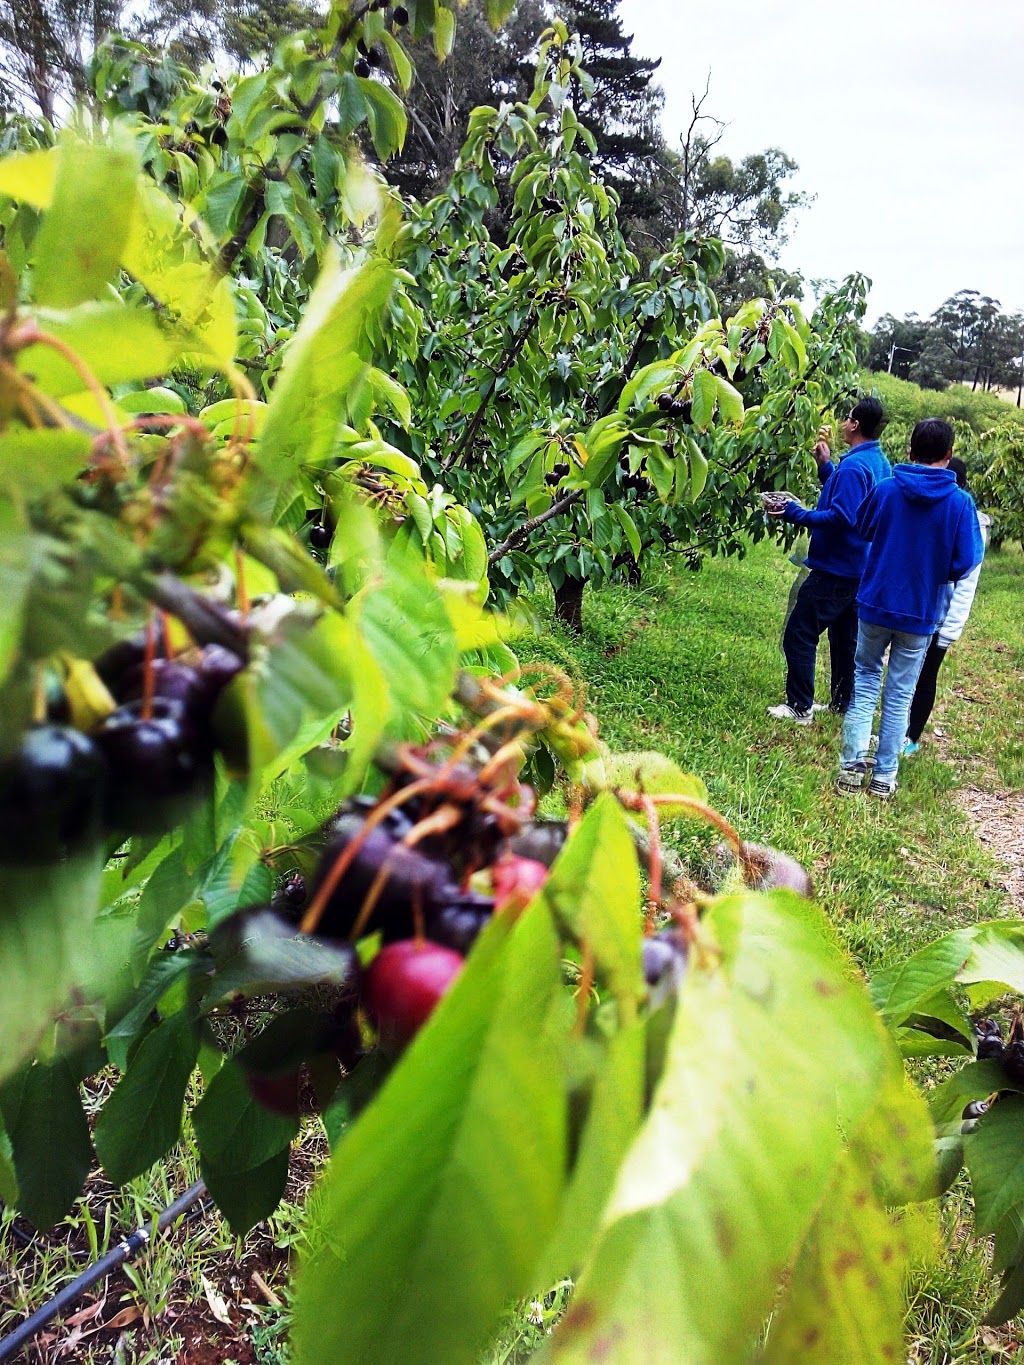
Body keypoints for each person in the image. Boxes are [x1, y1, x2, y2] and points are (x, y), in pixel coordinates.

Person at [837, 420, 984, 799]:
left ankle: (851, 770)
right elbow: (966, 560)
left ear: (910, 451)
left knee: (866, 679)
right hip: (920, 613)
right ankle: (884, 778)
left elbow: (863, 526)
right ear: (949, 456)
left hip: (874, 604)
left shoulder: (887, 490)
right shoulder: (960, 503)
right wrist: (936, 568)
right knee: (901, 692)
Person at [766, 396, 891, 723]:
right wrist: (826, 468)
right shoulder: (877, 462)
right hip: (859, 568)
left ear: (855, 425)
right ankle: (841, 703)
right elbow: (854, 500)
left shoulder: (854, 466)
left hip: (836, 566)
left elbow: (842, 517)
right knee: (843, 639)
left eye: (846, 418)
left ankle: (799, 707)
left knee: (799, 631)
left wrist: (797, 513)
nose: (842, 423)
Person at [903, 456, 991, 754]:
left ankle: (911, 737)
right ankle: (900, 730)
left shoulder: (971, 524)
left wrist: (950, 630)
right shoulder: (944, 511)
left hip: (941, 621)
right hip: (922, 611)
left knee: (926, 675)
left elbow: (967, 584)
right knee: (908, 674)